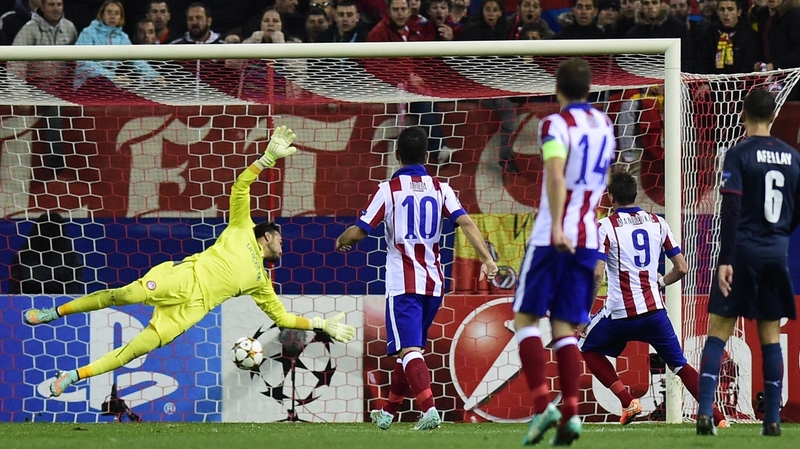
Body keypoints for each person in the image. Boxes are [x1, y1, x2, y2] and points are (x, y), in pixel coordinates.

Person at [23, 126, 357, 398]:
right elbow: (241, 187)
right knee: (123, 295)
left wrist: (320, 324)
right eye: (281, 240)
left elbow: (282, 316)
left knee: (134, 351)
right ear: (266, 236)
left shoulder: (261, 282)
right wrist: (267, 159)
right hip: (183, 279)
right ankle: (55, 312)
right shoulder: (242, 227)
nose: (284, 247)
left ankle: (71, 376)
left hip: (192, 310)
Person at [336, 126, 498, 431]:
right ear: (427, 156)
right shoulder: (442, 188)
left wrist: (342, 239)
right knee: (409, 352)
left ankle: (429, 410)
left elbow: (360, 231)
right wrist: (488, 260)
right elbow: (465, 222)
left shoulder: (388, 190)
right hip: (434, 284)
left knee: (408, 350)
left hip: (403, 285)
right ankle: (388, 412)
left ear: (396, 156)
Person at [513, 57, 614, 446]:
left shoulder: (554, 124)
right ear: (589, 89)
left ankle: (542, 406)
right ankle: (571, 411)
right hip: (588, 236)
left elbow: (556, 173)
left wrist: (556, 224)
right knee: (565, 327)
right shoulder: (605, 124)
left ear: (557, 88)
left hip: (553, 236)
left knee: (525, 318)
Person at [579, 171, 727, 428]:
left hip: (620, 314)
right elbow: (682, 267)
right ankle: (719, 418)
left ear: (610, 197)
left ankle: (628, 401)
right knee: (680, 365)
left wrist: (583, 314)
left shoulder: (605, 226)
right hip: (655, 312)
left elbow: (597, 272)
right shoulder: (658, 222)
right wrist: (660, 282)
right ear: (635, 194)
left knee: (586, 346)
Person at [696, 89, 800, 437]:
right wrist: (780, 232)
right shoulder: (791, 156)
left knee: (719, 330)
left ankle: (705, 412)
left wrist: (726, 259)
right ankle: (772, 419)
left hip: (742, 252)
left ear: (743, 115)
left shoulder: (738, 154)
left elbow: (732, 207)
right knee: (770, 335)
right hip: (775, 253)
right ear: (773, 116)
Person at [73, 1, 161, 90]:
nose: (112, 17)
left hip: (111, 83)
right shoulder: (88, 32)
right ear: (102, 14)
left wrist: (154, 76)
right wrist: (112, 77)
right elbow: (82, 62)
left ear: (121, 17)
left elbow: (136, 59)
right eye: (109, 12)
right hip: (87, 82)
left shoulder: (122, 37)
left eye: (117, 13)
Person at [9, 211, 84, 295]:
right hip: (61, 305)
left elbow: (15, 293)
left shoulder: (20, 257)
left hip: (28, 305)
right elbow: (74, 291)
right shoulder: (72, 258)